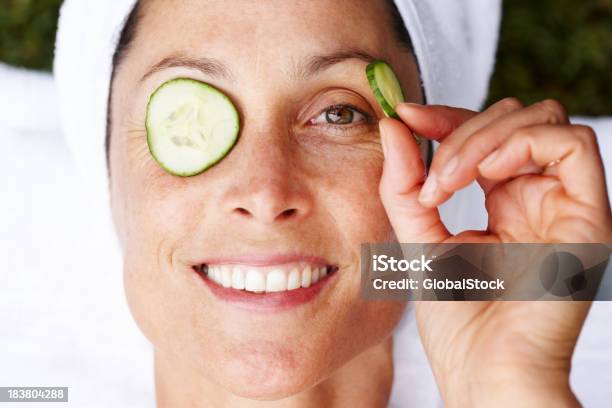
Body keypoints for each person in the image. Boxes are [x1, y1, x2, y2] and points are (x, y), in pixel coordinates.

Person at [1, 0, 610, 407]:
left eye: (339, 113)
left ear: (429, 156)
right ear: (104, 166)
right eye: (186, 119)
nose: (266, 194)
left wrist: (511, 390)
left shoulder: (555, 301)